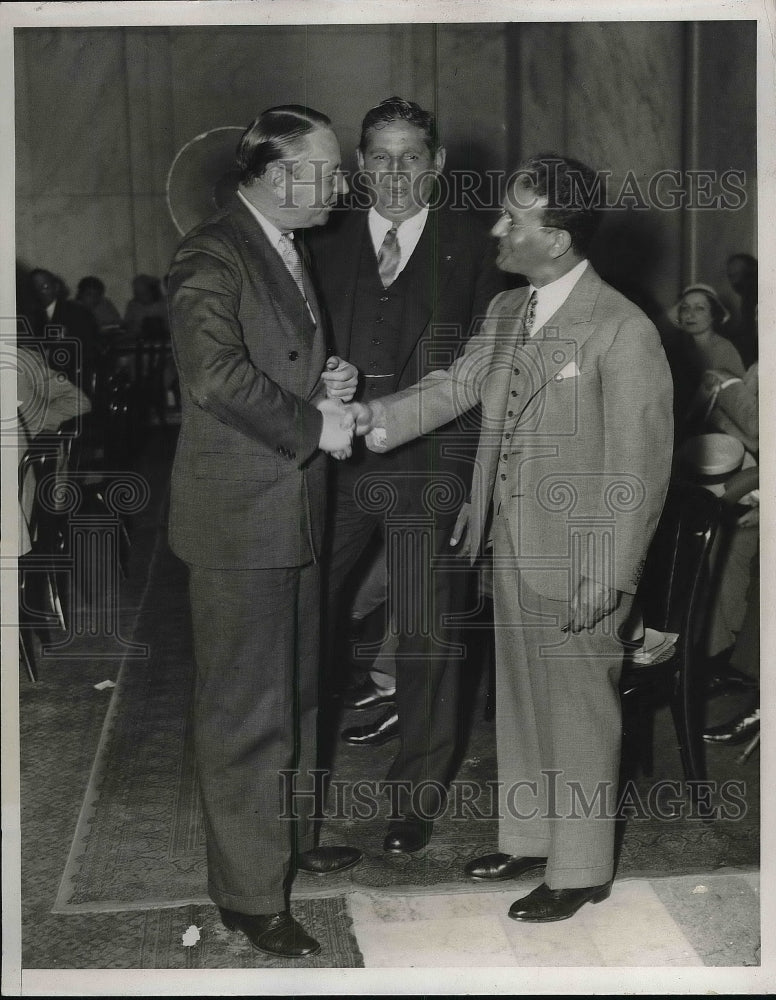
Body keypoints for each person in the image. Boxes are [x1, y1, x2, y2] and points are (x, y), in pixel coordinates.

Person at [354, 153, 674, 921]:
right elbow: (455, 387)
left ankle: (581, 869)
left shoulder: (621, 329)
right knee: (525, 700)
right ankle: (532, 837)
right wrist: (369, 418)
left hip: (580, 556)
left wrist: (613, 568)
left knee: (579, 706)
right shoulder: (506, 312)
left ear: (557, 238)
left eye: (512, 219)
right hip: (509, 540)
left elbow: (641, 463)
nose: (496, 228)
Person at [166, 105, 361, 961]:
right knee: (249, 708)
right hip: (242, 517)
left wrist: (332, 377)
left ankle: (282, 838)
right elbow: (214, 376)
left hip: (294, 507)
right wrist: (315, 425)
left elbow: (283, 357)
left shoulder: (288, 244)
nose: (344, 185)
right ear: (280, 179)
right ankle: (249, 895)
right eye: (330, 171)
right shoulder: (210, 253)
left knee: (303, 689)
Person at [308, 96, 508, 854]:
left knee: (427, 636)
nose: (394, 173)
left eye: (410, 157)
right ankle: (300, 790)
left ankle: (412, 801)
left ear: (438, 166)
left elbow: (487, 373)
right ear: (360, 164)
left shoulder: (478, 247)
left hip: (433, 472)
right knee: (310, 620)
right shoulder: (321, 243)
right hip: (336, 465)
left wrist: (474, 486)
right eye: (380, 157)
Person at [667, 282, 745, 440]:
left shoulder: (724, 349)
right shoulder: (680, 350)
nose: (690, 314)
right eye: (685, 308)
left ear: (713, 315)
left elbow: (740, 402)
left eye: (699, 308)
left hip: (723, 435)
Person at [29, 268, 100, 395]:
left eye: (45, 287)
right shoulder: (35, 315)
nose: (41, 292)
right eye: (36, 288)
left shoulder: (75, 312)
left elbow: (84, 348)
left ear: (56, 287)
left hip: (73, 375)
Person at [726, 252, 758, 367]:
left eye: (736, 275)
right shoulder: (748, 297)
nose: (734, 282)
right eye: (731, 276)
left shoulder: (754, 295)